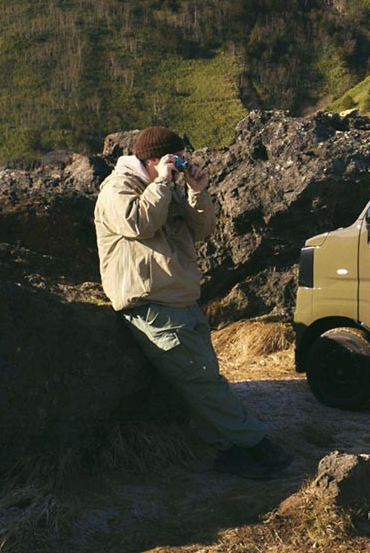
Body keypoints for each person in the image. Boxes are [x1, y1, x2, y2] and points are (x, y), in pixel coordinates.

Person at [94, 126, 291, 480]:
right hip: (151, 302)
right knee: (203, 382)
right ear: (153, 159)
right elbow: (138, 223)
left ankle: (229, 451)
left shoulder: (166, 187)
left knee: (204, 381)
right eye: (175, 159)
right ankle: (258, 446)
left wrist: (197, 192)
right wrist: (162, 185)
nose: (181, 165)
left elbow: (203, 230)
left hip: (181, 297)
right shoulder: (118, 187)